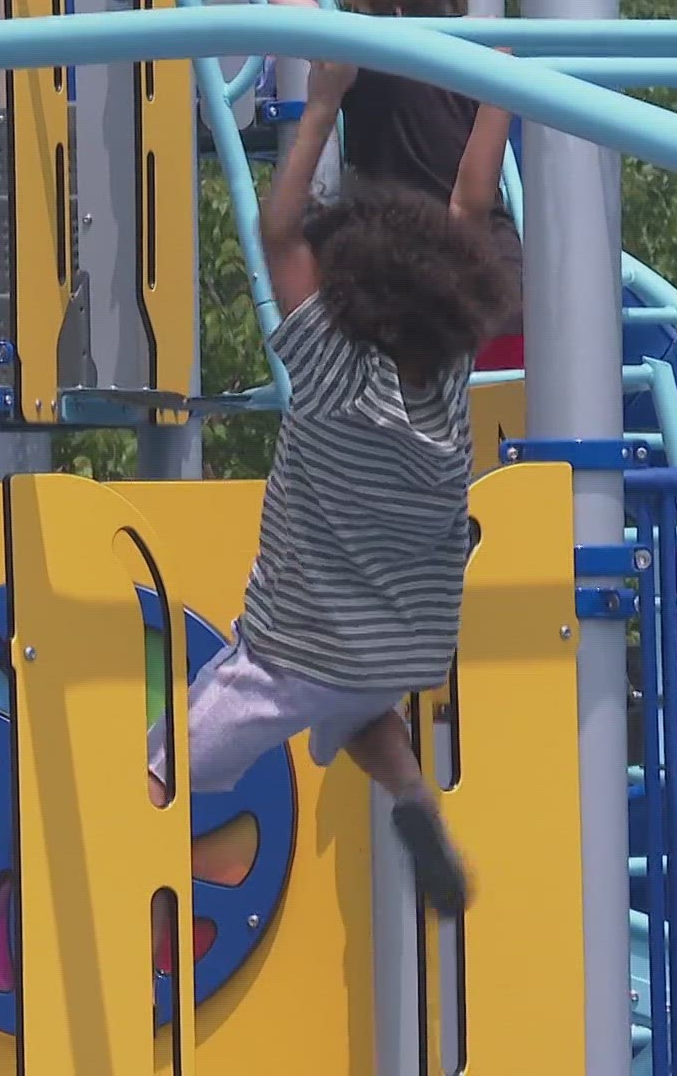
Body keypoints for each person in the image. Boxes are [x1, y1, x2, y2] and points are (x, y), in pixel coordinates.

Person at [145, 55, 514, 939]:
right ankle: (413, 794)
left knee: (161, 769)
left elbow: (280, 232)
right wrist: (502, 100)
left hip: (289, 656)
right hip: (401, 647)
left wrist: (322, 107)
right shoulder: (447, 382)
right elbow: (467, 212)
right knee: (358, 709)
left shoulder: (331, 373)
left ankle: (129, 898)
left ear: (362, 297)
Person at [268, 0, 525, 371]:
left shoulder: (353, 45)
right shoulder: (479, 44)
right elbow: (469, 208)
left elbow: (279, 237)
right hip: (459, 272)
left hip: (416, 275)